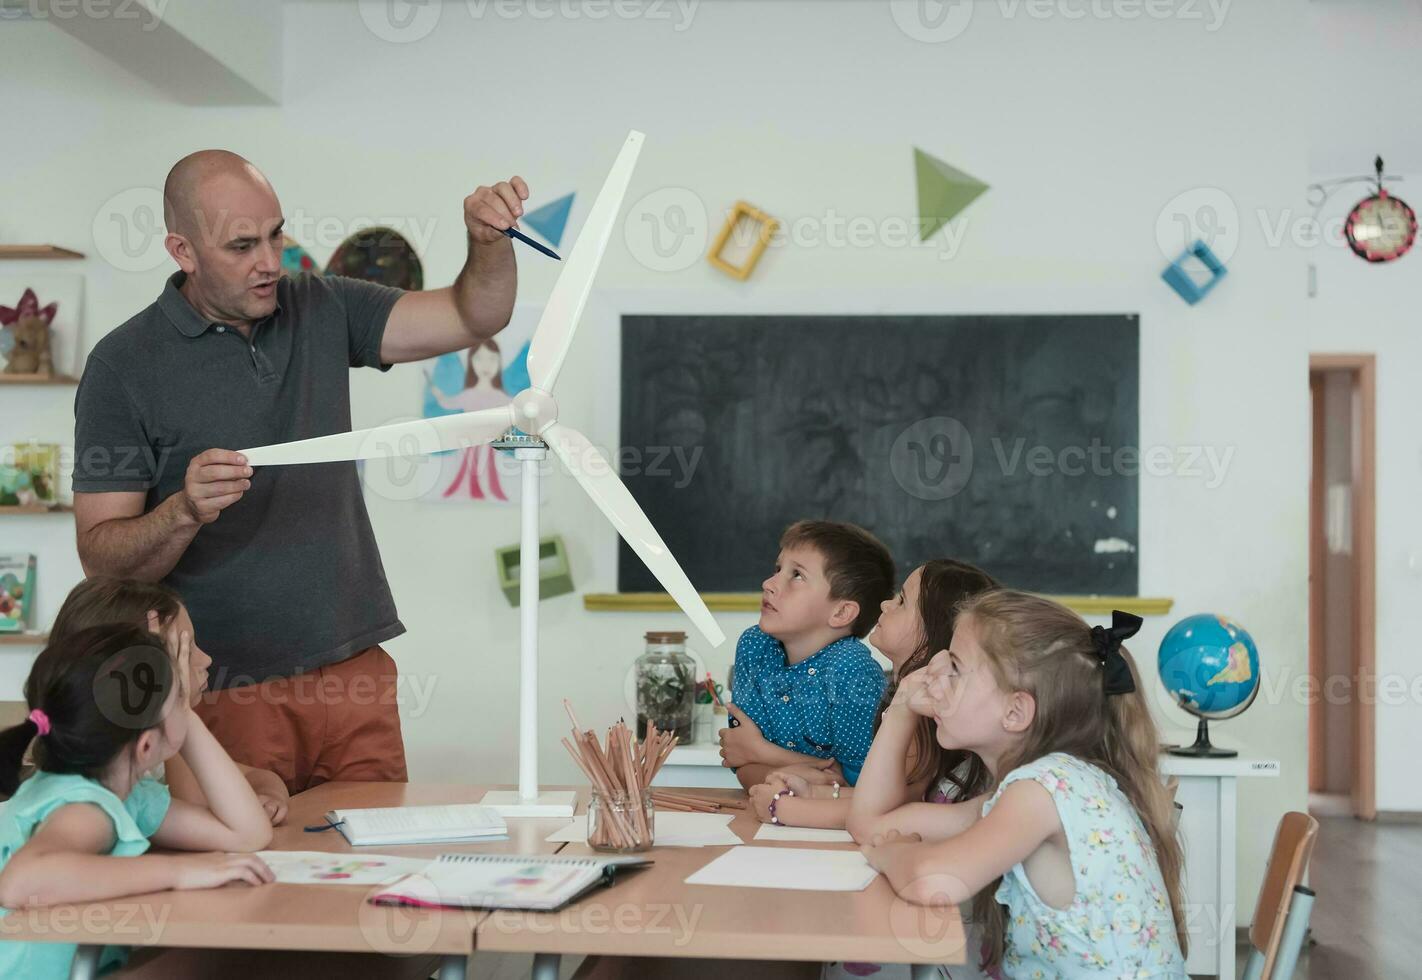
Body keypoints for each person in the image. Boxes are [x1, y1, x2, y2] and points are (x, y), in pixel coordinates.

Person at [72, 149, 533, 794]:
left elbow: (472, 315)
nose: (270, 262)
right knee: (256, 876)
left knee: (375, 873)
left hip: (355, 668)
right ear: (183, 250)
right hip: (225, 685)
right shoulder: (122, 366)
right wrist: (182, 511)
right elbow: (102, 560)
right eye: (241, 246)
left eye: (276, 234)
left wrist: (488, 244)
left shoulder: (318, 305)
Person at [860, 591, 1188, 978]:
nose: (934, 672)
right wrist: (900, 712)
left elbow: (931, 881)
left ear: (1015, 712)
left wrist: (890, 854)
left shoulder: (1042, 791)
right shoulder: (1041, 786)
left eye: (956, 667)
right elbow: (872, 824)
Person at [0, 625, 274, 978]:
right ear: (146, 747)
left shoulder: (126, 793)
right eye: (180, 698)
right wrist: (180, 872)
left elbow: (247, 834)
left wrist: (180, 713)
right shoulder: (84, 808)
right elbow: (21, 882)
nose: (187, 702)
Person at [48, 576, 288, 824]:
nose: (206, 660)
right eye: (186, 649)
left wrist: (268, 794)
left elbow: (258, 776)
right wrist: (175, 707)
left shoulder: (147, 749)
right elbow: (203, 816)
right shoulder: (109, 767)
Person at [720, 520, 895, 789]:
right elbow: (740, 758)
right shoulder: (755, 645)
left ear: (840, 613)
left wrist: (764, 753)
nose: (769, 583)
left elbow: (858, 784)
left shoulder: (851, 668)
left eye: (797, 575)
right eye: (778, 569)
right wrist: (802, 771)